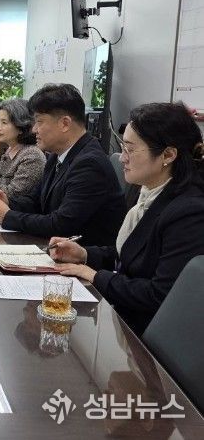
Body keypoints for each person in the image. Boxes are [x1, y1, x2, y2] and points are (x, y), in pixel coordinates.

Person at [49, 102, 204, 335]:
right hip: (124, 316)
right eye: (123, 147)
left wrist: (95, 275)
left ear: (168, 155)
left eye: (130, 149)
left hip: (145, 334)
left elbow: (160, 294)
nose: (122, 158)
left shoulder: (189, 212)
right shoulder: (147, 191)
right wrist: (84, 255)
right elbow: (134, 256)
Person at [0, 83, 126, 246]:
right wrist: (8, 202)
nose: (34, 129)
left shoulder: (89, 163)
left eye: (39, 122)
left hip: (81, 255)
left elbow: (60, 225)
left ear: (65, 124)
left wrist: (6, 217)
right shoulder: (57, 156)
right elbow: (36, 202)